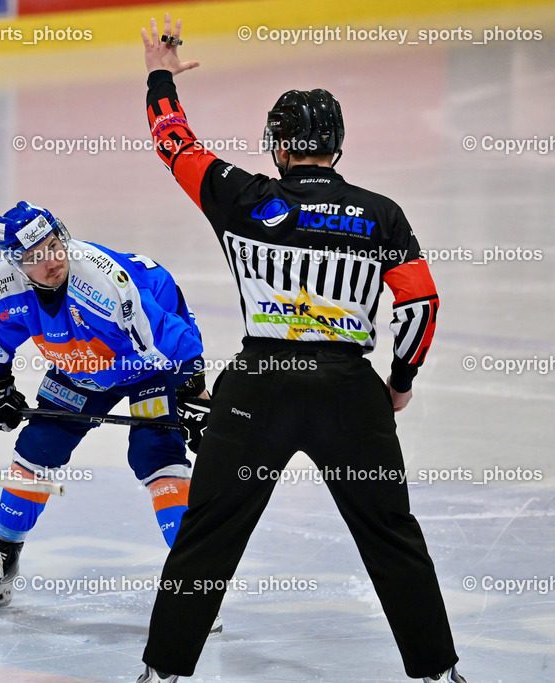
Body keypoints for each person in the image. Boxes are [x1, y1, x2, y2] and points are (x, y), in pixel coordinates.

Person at [135, 15, 465, 683]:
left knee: (208, 533)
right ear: (337, 146)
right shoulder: (381, 213)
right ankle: (438, 674)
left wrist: (160, 76)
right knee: (391, 535)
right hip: (349, 392)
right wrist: (399, 380)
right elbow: (421, 303)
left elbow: (174, 142)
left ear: (279, 146)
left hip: (257, 389)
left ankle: (163, 673)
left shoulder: (239, 196)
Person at [0, 200, 211, 615]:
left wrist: (193, 395)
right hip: (78, 363)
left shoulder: (103, 283)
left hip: (147, 364)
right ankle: (3, 554)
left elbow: (173, 341)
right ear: (15, 264)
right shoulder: (0, 287)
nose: (51, 261)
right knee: (39, 445)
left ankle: (194, 577)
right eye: (35, 257)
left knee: (156, 452)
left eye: (53, 245)